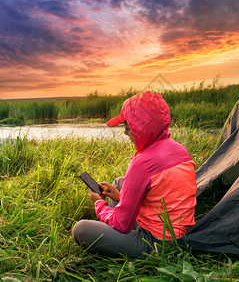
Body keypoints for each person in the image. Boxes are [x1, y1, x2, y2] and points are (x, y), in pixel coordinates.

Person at [72, 91, 197, 258]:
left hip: (155, 243)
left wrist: (99, 205)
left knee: (81, 229)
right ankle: (115, 218)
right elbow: (161, 194)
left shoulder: (141, 163)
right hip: (181, 236)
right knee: (119, 182)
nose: (125, 133)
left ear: (141, 129)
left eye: (128, 128)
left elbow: (122, 224)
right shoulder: (181, 150)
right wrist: (120, 196)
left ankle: (113, 230)